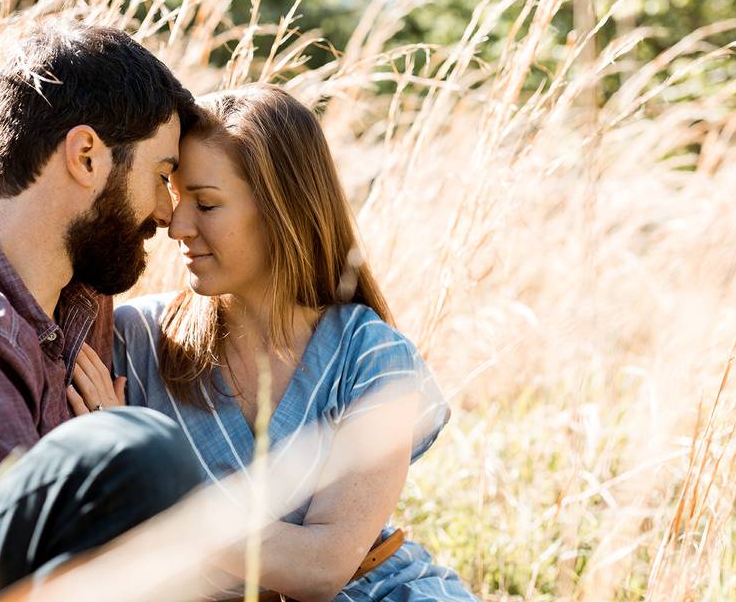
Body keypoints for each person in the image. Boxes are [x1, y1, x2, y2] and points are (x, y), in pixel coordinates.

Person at [91, 84, 477, 601]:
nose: (176, 225)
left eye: (205, 204)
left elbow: (321, 571)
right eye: (177, 199)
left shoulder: (373, 359)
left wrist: (149, 488)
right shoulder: (134, 341)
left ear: (280, 209)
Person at [0, 20, 206, 600]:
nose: (164, 213)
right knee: (143, 455)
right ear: (86, 156)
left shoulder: (78, 295)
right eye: (160, 175)